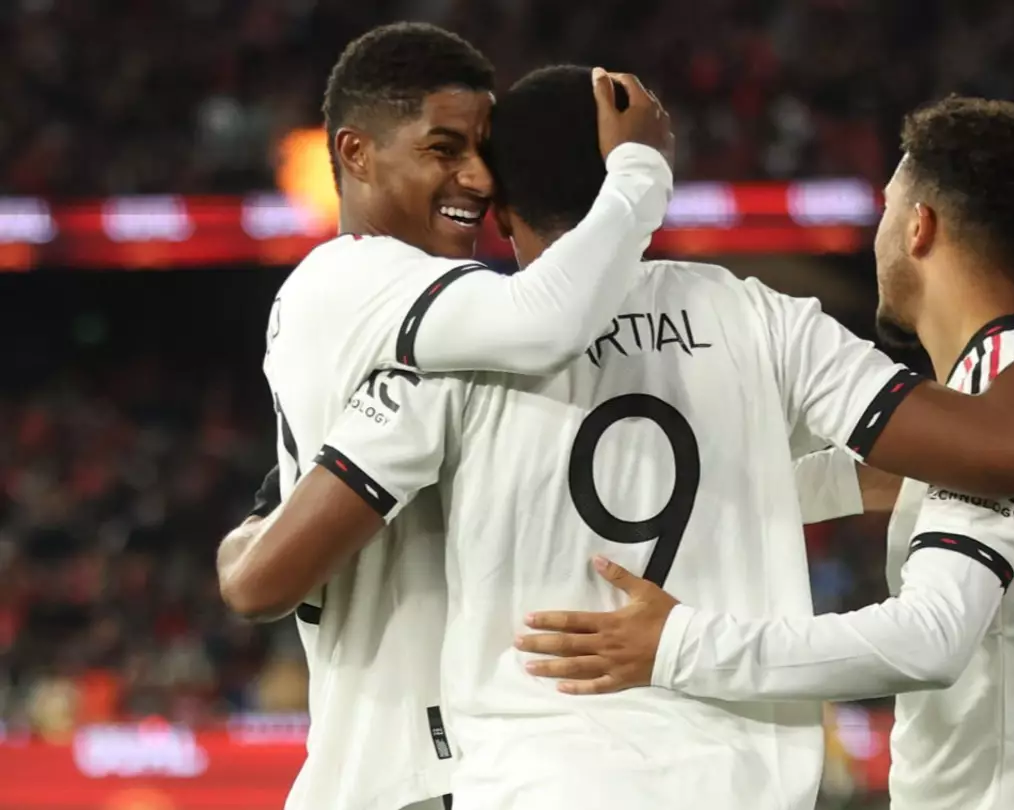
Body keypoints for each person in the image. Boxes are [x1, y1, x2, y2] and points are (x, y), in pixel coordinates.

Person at [254, 65, 1014, 810]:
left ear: (500, 210)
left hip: (529, 781)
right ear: (636, 177)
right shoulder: (760, 316)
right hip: (744, 783)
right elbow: (974, 442)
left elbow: (273, 574)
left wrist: (263, 516)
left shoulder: (451, 349)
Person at [518, 97, 1014, 810]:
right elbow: (839, 482)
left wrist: (678, 644)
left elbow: (930, 636)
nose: (875, 231)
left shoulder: (999, 386)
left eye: (885, 209)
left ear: (919, 227)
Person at [213, 22, 676, 810]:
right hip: (415, 771)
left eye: (481, 153)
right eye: (443, 148)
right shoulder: (363, 277)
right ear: (356, 154)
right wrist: (639, 174)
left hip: (415, 768)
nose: (477, 178)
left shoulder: (399, 326)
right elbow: (546, 320)